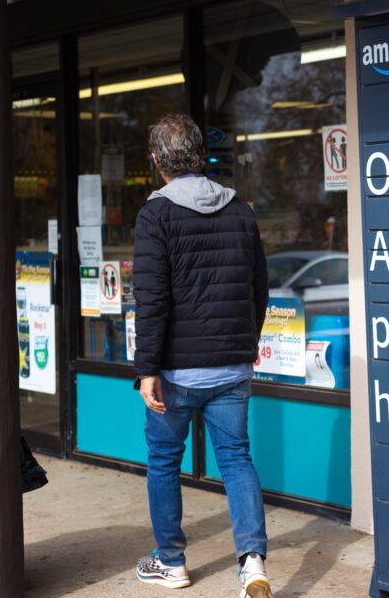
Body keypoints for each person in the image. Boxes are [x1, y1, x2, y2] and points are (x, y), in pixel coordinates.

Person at [132, 113, 270, 598]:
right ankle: (252, 563)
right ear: (199, 155)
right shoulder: (241, 211)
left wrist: (146, 369)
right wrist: (242, 344)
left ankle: (171, 563)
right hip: (231, 368)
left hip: (175, 371)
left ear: (157, 162)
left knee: (165, 461)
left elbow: (151, 299)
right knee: (236, 459)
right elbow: (260, 290)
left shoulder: (156, 215)